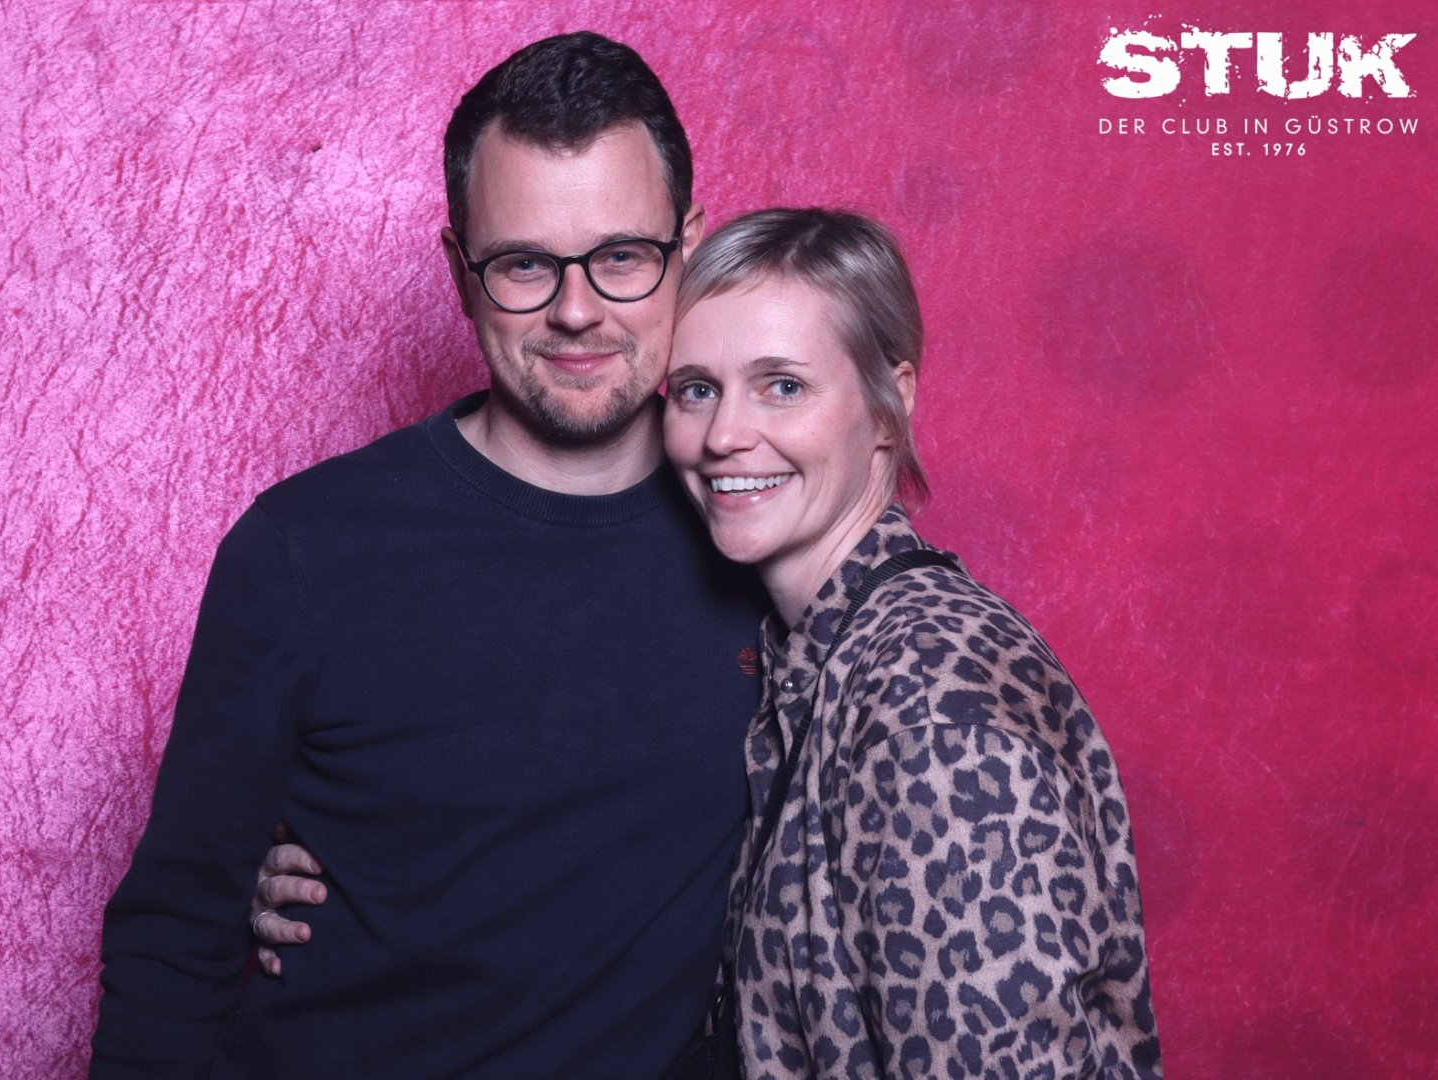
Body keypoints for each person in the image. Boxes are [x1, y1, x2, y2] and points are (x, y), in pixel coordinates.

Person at [258, 211, 1165, 1077]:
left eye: (783, 386)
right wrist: (339, 859)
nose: (725, 436)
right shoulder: (798, 649)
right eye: (697, 390)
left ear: (890, 408)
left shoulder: (931, 708)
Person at [91, 32, 768, 1078]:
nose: (576, 310)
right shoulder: (305, 552)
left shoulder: (761, 539)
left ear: (690, 248)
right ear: (461, 273)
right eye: (524, 264)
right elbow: (174, 939)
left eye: (622, 257)